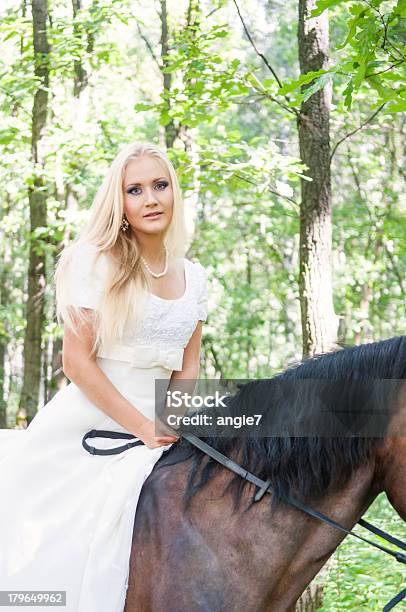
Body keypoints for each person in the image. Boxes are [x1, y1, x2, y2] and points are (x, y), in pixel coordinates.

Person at [0, 141, 208, 611]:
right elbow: (77, 362)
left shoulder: (194, 277)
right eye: (135, 190)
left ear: (175, 192)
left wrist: (168, 423)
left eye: (160, 185)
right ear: (121, 203)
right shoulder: (94, 262)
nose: (151, 199)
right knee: (58, 550)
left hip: (161, 427)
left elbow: (188, 363)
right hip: (91, 422)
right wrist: (141, 427)